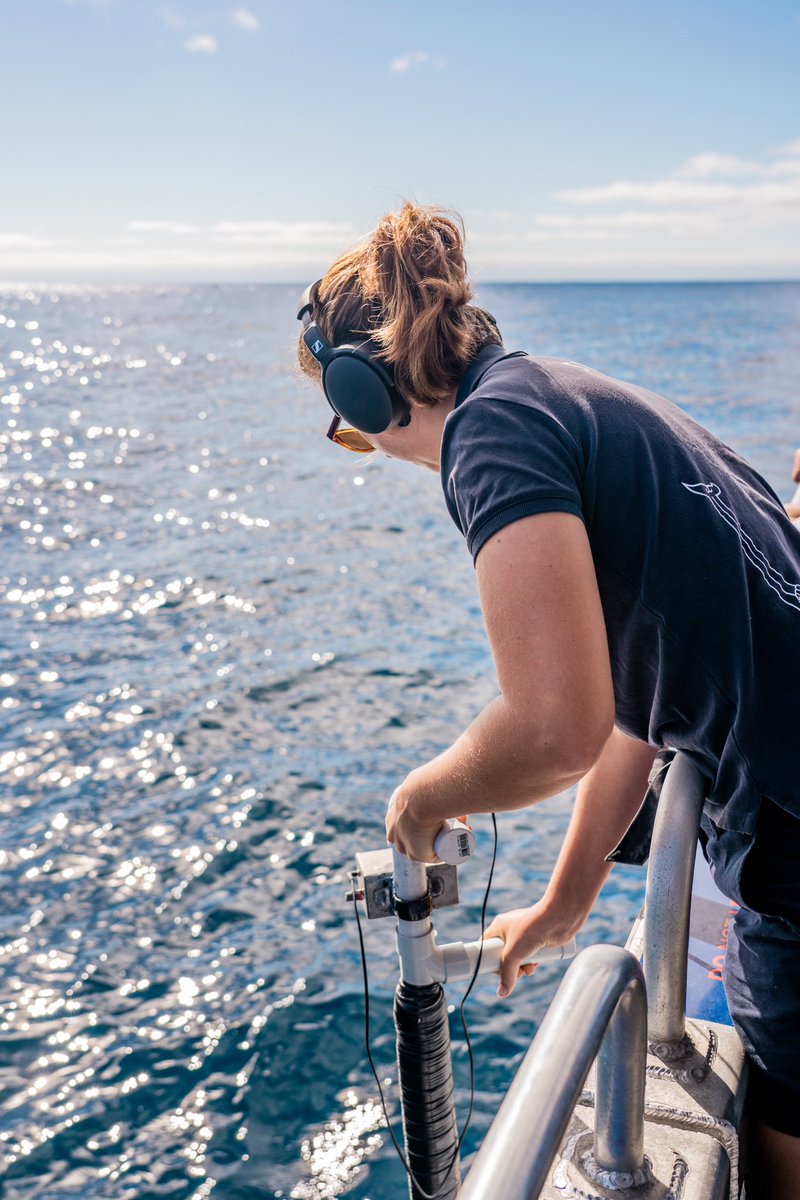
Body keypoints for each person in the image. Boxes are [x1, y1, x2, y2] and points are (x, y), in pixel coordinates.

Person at [296, 203, 800, 1199]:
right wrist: (563, 904)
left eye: (345, 420)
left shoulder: (490, 436)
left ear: (370, 388)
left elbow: (552, 726)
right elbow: (628, 716)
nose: (358, 442)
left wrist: (419, 799)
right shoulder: (560, 394)